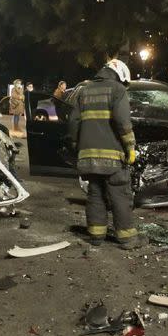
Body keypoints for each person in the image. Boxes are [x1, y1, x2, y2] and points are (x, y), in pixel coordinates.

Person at [68, 59, 139, 249]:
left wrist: (76, 145)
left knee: (95, 194)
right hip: (112, 156)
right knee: (120, 195)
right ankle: (127, 238)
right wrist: (130, 147)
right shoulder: (117, 90)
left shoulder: (84, 91)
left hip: (88, 156)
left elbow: (73, 121)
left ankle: (96, 235)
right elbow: (123, 122)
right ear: (121, 75)